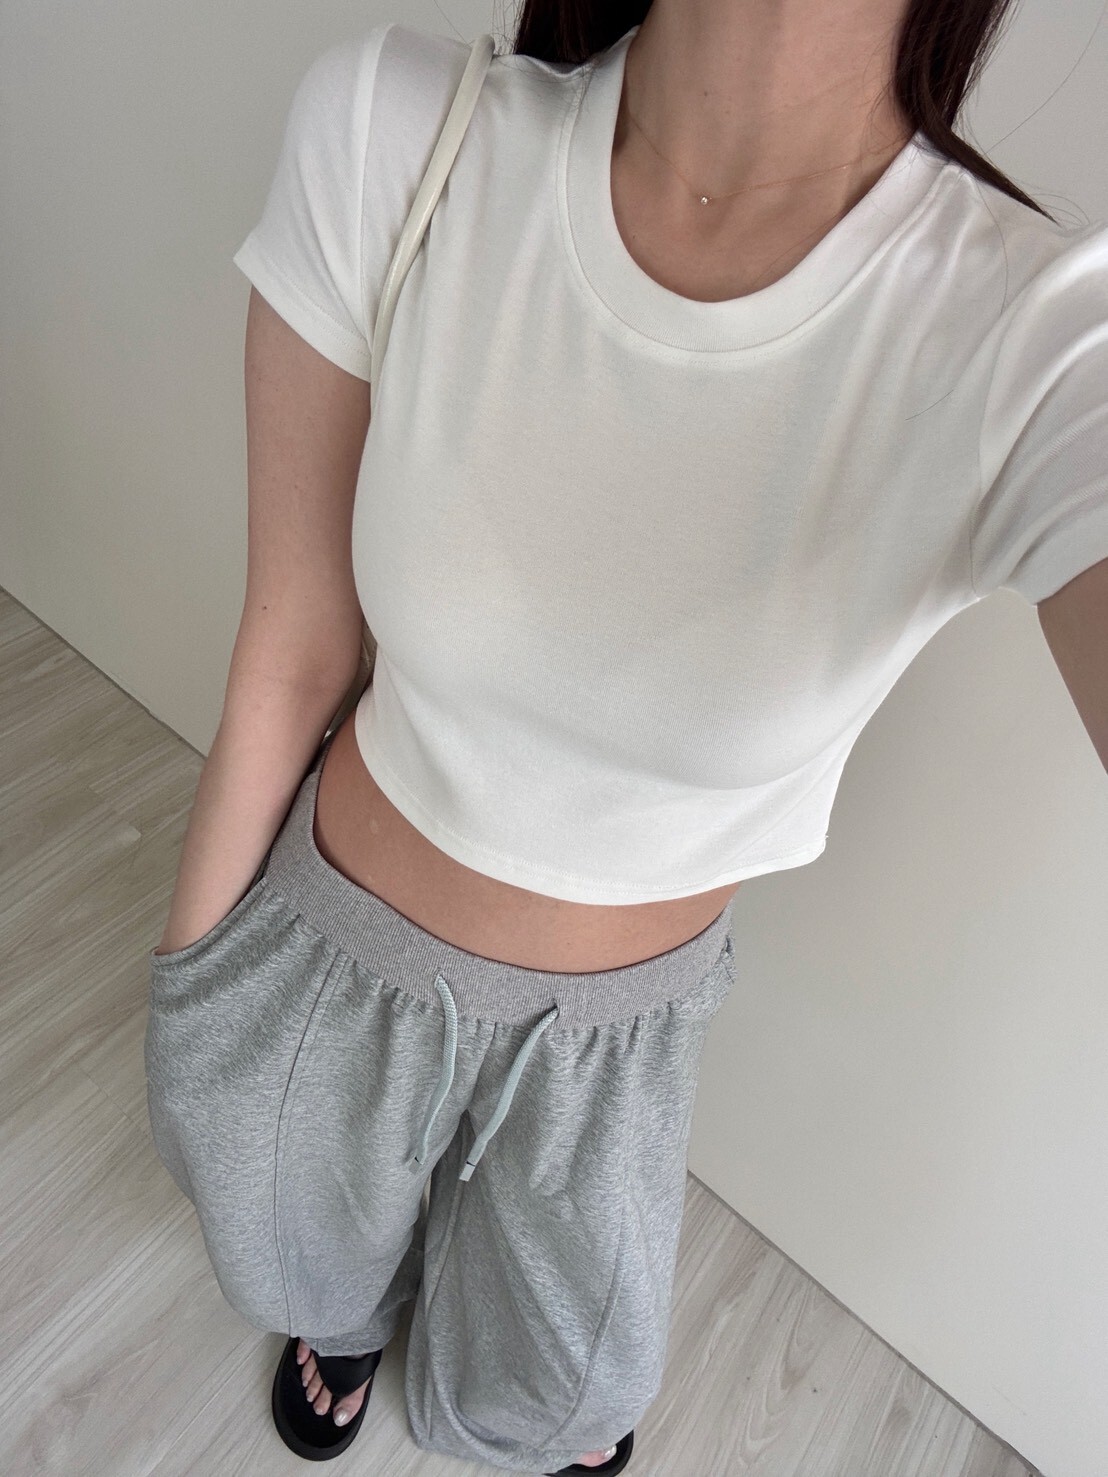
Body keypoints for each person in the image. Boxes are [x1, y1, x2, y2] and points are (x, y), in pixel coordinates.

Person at [144, 0, 1108, 1472]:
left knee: (564, 1380)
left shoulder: (1038, 339)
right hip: (320, 939)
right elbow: (293, 645)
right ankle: (343, 1315)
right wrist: (198, 993)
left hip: (615, 1047)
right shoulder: (399, 130)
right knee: (293, 1250)